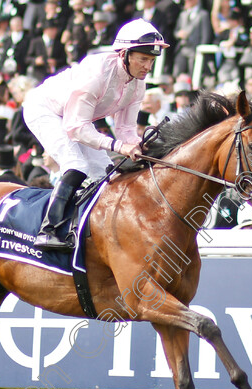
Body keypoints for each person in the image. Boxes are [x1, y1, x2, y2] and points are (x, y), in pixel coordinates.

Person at [23, 19, 169, 250]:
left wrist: (140, 147)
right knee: (76, 164)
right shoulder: (96, 74)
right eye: (142, 59)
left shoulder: (138, 84)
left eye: (151, 60)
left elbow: (126, 130)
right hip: (45, 110)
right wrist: (120, 147)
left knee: (106, 173)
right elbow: (76, 128)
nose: (147, 66)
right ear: (124, 54)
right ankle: (47, 230)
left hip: (76, 120)